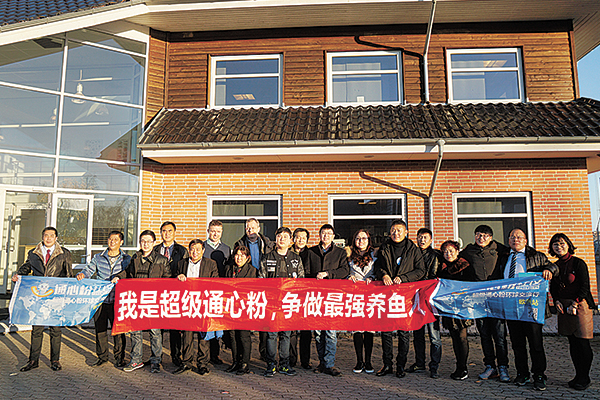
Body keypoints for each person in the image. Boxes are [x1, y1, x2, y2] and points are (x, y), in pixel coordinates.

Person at [496, 228, 557, 391]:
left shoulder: (536, 256)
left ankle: (539, 375)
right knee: (517, 344)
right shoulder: (503, 258)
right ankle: (522, 373)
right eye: (512, 237)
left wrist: (549, 270)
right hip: (511, 306)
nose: (515, 239)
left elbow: (554, 267)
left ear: (525, 241)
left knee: (535, 343)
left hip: (531, 307)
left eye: (519, 237)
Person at [13, 227, 73, 372]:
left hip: (55, 298)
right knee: (37, 330)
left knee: (55, 330)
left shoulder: (64, 253)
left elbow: (68, 275)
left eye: (51, 235)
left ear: (56, 238)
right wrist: (19, 275)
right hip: (38, 297)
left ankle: (55, 360)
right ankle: (33, 360)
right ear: (42, 237)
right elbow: (27, 267)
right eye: (46, 235)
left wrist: (66, 297)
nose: (48, 238)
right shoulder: (34, 253)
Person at [113, 230, 170, 373]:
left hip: (154, 301)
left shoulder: (162, 260)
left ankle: (156, 360)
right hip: (136, 299)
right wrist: (119, 277)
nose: (146, 244)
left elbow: (168, 280)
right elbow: (127, 272)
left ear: (154, 243)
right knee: (135, 331)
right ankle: (136, 359)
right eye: (143, 241)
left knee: (154, 332)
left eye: (149, 241)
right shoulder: (135, 257)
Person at [375, 219, 425, 378]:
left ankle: (400, 366)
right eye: (393, 230)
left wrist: (404, 278)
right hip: (387, 295)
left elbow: (420, 271)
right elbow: (377, 266)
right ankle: (387, 365)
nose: (396, 233)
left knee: (403, 333)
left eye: (399, 230)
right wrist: (383, 274)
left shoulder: (413, 249)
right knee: (386, 332)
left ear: (406, 232)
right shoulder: (385, 247)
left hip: (405, 296)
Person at [460, 225, 510, 382]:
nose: (481, 238)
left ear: (491, 237)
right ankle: (490, 366)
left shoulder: (500, 250)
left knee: (499, 336)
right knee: (484, 335)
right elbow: (455, 261)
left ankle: (503, 367)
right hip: (479, 301)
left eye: (485, 235)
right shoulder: (469, 251)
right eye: (478, 235)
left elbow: (519, 251)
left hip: (496, 299)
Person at [548, 233, 596, 391]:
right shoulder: (555, 265)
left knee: (582, 342)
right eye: (555, 244)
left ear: (568, 245)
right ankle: (577, 375)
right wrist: (556, 301)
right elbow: (554, 288)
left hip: (580, 305)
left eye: (562, 243)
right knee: (573, 343)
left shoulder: (578, 263)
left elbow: (585, 286)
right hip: (564, 306)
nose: (559, 247)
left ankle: (585, 377)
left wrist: (575, 303)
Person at [76, 231, 131, 368]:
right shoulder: (98, 257)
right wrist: (82, 274)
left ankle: (119, 358)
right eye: (110, 239)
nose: (112, 242)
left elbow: (129, 275)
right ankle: (102, 357)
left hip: (118, 300)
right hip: (100, 300)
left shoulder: (127, 259)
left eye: (116, 239)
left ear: (121, 242)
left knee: (118, 331)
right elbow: (89, 270)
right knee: (100, 330)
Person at [259, 227, 304, 377]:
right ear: (275, 239)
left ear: (290, 240)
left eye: (285, 236)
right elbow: (261, 279)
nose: (282, 239)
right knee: (271, 335)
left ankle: (284, 364)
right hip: (272, 303)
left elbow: (301, 280)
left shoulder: (296, 259)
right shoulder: (267, 258)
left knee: (286, 335)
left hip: (289, 303)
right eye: (279, 236)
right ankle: (271, 364)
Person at [307, 223, 349, 376]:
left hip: (332, 297)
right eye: (323, 233)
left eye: (329, 234)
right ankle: (322, 362)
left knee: (330, 332)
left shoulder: (340, 252)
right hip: (316, 297)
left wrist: (328, 274)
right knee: (318, 333)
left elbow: (345, 270)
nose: (326, 236)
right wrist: (315, 277)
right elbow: (306, 271)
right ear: (319, 235)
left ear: (333, 236)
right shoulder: (311, 252)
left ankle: (329, 364)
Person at [172, 239, 219, 376]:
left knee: (203, 335)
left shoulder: (211, 264)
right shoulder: (182, 263)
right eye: (192, 249)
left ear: (203, 251)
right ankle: (186, 362)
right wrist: (178, 277)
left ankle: (202, 364)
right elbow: (174, 280)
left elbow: (216, 281)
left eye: (198, 249)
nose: (195, 252)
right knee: (187, 335)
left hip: (203, 303)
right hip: (187, 303)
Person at [234, 217, 274, 361]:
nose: (250, 230)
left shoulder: (267, 244)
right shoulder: (239, 244)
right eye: (248, 228)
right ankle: (243, 355)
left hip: (263, 283)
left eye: (253, 228)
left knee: (264, 319)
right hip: (246, 283)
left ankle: (264, 352)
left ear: (258, 229)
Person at [437, 240, 475, 381]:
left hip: (462, 307)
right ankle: (458, 366)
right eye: (445, 252)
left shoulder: (465, 266)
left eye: (451, 251)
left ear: (457, 252)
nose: (449, 254)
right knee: (454, 337)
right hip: (448, 307)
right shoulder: (442, 267)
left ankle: (463, 367)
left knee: (462, 337)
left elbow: (470, 284)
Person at [407, 227, 442, 378]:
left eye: (425, 238)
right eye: (420, 237)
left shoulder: (435, 256)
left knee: (434, 336)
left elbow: (434, 275)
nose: (422, 240)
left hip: (430, 299)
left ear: (431, 240)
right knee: (418, 334)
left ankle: (434, 366)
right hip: (415, 298)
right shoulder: (412, 254)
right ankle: (419, 363)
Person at [154, 221, 188, 367]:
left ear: (174, 232)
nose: (166, 234)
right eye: (164, 231)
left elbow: (185, 269)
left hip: (175, 293)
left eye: (169, 231)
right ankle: (156, 356)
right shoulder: (155, 249)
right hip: (158, 293)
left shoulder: (182, 251)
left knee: (175, 327)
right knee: (157, 327)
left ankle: (176, 356)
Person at [347, 229, 376, 374]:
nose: (361, 241)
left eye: (364, 238)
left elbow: (380, 271)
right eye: (358, 238)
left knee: (369, 330)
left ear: (368, 240)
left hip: (371, 297)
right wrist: (348, 277)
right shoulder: (348, 256)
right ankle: (359, 361)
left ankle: (368, 361)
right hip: (356, 297)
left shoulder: (375, 255)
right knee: (357, 330)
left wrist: (373, 278)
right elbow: (344, 271)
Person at [225, 246, 256, 375]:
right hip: (230, 307)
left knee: (244, 336)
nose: (239, 258)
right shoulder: (229, 269)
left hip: (244, 308)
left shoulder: (252, 270)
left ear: (248, 258)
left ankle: (245, 363)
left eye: (242, 255)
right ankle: (235, 361)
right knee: (232, 336)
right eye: (237, 255)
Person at [204, 219, 231, 365]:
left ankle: (215, 355)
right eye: (213, 231)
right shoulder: (202, 247)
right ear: (208, 231)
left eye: (218, 232)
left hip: (219, 292)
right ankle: (203, 355)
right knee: (204, 324)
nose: (215, 234)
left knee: (216, 323)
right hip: (203, 291)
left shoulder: (226, 249)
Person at [291, 227, 311, 369]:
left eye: (304, 238)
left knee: (306, 331)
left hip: (306, 296)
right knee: (291, 330)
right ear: (293, 239)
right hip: (291, 296)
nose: (301, 240)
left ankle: (305, 360)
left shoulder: (312, 254)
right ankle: (291, 359)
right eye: (298, 237)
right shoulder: (288, 253)